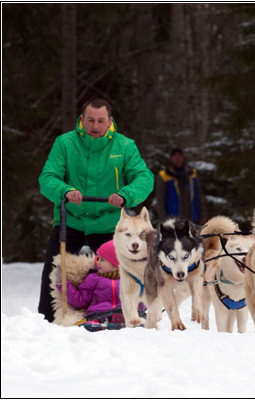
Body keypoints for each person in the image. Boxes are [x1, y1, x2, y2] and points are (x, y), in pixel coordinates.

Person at [38, 98, 154, 322]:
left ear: (110, 121)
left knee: (123, 269)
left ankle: (126, 310)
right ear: (82, 119)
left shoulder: (124, 146)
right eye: (90, 120)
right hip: (70, 219)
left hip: (107, 223)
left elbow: (144, 178)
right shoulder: (65, 143)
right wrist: (65, 190)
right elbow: (47, 178)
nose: (95, 125)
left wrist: (125, 195)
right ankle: (48, 318)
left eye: (101, 121)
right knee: (54, 268)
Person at [55, 240, 123, 323]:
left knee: (124, 314)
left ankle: (120, 321)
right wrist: (62, 284)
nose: (97, 262)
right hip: (98, 314)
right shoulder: (93, 278)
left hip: (120, 312)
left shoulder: (127, 279)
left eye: (102, 260)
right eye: (98, 258)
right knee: (91, 323)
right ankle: (94, 327)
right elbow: (80, 301)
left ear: (115, 262)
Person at [155, 147, 207, 224]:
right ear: (171, 158)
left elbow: (199, 195)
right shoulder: (164, 176)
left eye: (179, 155)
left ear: (182, 157)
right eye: (174, 155)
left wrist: (202, 213)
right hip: (173, 219)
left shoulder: (192, 174)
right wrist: (163, 218)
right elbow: (160, 199)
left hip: (192, 217)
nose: (177, 157)